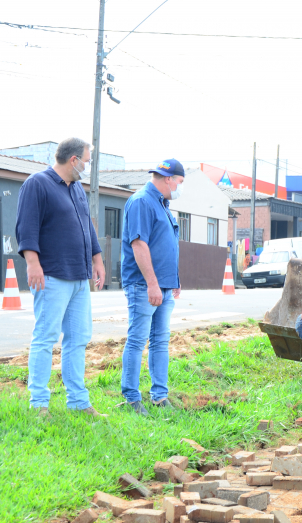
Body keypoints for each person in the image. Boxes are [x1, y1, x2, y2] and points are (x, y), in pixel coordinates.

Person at [15, 137, 106, 417]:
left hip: (79, 277)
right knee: (45, 337)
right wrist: (32, 263)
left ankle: (78, 402)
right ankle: (39, 403)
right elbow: (26, 226)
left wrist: (97, 260)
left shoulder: (77, 188)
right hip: (52, 274)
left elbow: (87, 227)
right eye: (87, 162)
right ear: (73, 160)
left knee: (78, 339)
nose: (88, 167)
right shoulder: (37, 184)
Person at [120, 159, 184, 415]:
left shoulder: (162, 205)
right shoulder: (141, 202)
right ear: (168, 178)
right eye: (179, 182)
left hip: (164, 287)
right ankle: (131, 398)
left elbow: (164, 245)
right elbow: (139, 245)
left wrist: (174, 280)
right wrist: (153, 284)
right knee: (137, 341)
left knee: (160, 342)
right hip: (144, 286)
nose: (180, 188)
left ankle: (160, 396)